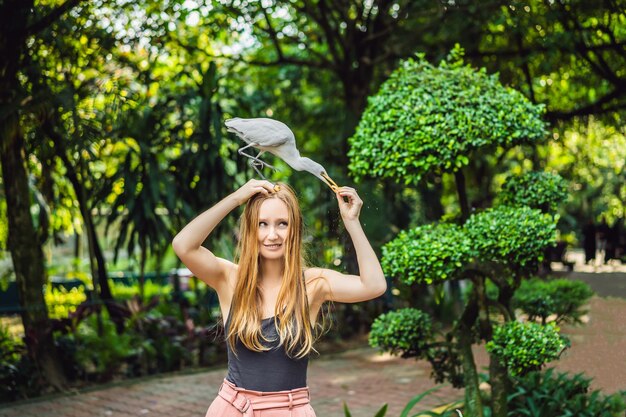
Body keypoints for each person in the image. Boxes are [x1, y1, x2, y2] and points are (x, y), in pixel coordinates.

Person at [172, 179, 386, 417]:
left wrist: (352, 222)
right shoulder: (230, 278)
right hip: (233, 408)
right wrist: (236, 198)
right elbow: (183, 245)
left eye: (282, 224)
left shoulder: (313, 285)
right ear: (251, 228)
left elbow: (374, 285)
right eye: (262, 224)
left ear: (294, 228)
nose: (272, 235)